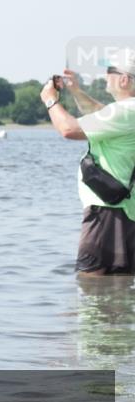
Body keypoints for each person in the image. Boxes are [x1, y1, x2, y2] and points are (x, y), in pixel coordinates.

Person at [42, 48, 135, 276]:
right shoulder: (126, 112)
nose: (105, 76)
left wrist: (50, 100)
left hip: (107, 213)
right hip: (126, 213)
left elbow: (69, 129)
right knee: (118, 292)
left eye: (109, 71)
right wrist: (76, 91)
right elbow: (101, 113)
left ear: (124, 79)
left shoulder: (125, 111)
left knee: (92, 289)